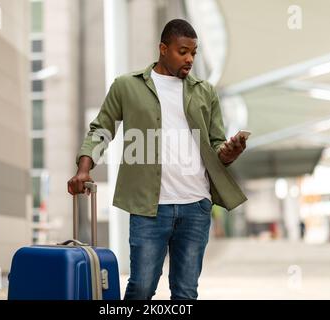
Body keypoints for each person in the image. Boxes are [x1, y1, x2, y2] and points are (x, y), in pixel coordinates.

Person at [68, 19, 247, 300]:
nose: (189, 58)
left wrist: (230, 150)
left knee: (186, 292)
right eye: (182, 51)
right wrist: (84, 168)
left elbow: (216, 146)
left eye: (194, 53)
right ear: (163, 49)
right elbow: (101, 129)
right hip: (149, 208)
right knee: (141, 287)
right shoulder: (127, 86)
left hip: (196, 207)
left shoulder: (205, 91)